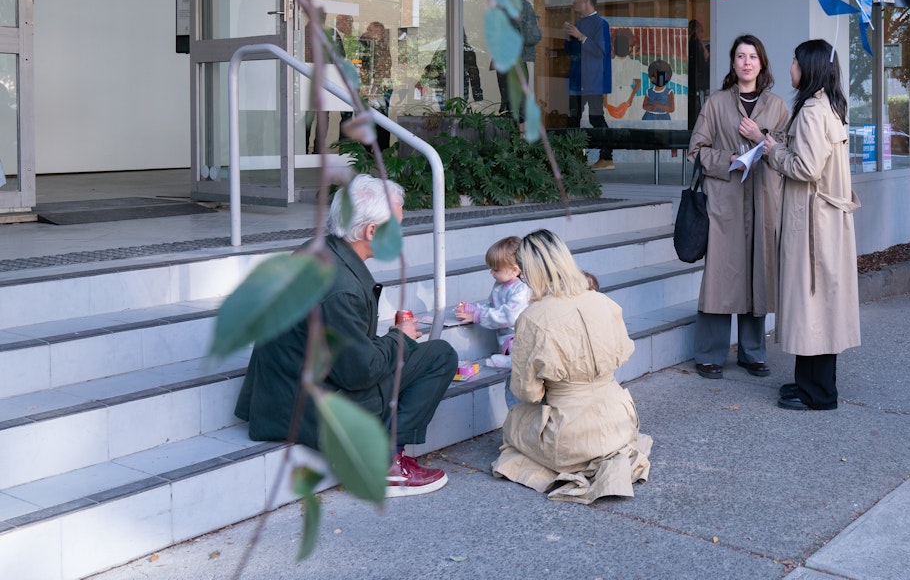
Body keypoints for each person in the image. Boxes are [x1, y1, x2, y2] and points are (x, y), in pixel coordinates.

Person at [234, 174, 459, 496]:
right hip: (308, 409)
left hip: (288, 395)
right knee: (439, 355)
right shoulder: (339, 287)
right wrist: (401, 339)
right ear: (371, 231)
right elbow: (359, 372)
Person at [491, 229, 652, 503]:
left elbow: (527, 392)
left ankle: (568, 461)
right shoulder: (604, 301)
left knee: (514, 427)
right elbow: (625, 351)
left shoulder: (532, 317)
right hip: (621, 420)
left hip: (569, 435)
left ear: (530, 271)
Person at [761, 39, 860, 411]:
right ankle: (810, 382)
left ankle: (818, 394)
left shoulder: (813, 112)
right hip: (823, 219)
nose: (790, 67)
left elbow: (805, 168)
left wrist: (772, 152)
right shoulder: (827, 107)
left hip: (813, 222)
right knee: (818, 303)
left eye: (795, 61)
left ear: (810, 67)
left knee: (813, 301)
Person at [686, 35, 790, 380]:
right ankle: (710, 353)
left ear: (762, 63)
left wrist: (762, 138)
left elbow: (787, 151)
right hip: (724, 201)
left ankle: (753, 353)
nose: (747, 62)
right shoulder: (716, 104)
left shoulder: (776, 107)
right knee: (720, 277)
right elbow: (696, 150)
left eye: (753, 56)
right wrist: (727, 159)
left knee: (756, 273)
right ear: (733, 63)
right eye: (741, 56)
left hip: (763, 199)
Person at [455, 236, 531, 370]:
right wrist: (472, 309)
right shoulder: (500, 284)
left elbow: (509, 316)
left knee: (521, 352)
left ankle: (512, 362)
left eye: (496, 270)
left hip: (521, 336)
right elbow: (492, 306)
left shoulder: (522, 289)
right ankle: (510, 358)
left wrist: (477, 316)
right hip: (506, 337)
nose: (491, 273)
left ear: (514, 270)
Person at [564, 0, 614, 170]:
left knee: (596, 118)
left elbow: (601, 51)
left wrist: (581, 37)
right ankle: (572, 158)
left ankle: (607, 157)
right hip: (577, 79)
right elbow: (570, 52)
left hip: (593, 81)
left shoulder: (601, 24)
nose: (573, 2)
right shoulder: (579, 22)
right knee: (572, 119)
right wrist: (569, 37)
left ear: (586, 1)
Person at [497, 0, 543, 118]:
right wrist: (537, 28)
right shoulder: (524, 5)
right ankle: (518, 141)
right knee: (520, 108)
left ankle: (504, 140)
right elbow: (530, 37)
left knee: (507, 105)